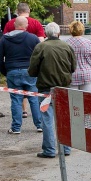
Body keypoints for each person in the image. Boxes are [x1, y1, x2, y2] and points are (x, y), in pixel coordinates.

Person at [29, 22, 75, 159]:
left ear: (46, 34)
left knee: (47, 119)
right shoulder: (67, 47)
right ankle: (66, 148)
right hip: (63, 89)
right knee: (64, 118)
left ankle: (49, 149)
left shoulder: (41, 47)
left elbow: (32, 70)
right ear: (59, 33)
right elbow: (73, 67)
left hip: (45, 88)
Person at [0, 16, 43, 135]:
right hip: (30, 72)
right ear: (26, 26)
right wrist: (37, 70)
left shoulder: (5, 39)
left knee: (16, 100)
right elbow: (40, 55)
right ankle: (40, 125)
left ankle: (16, 127)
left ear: (14, 25)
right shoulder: (33, 38)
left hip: (12, 71)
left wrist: (5, 71)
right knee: (34, 98)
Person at [3, 2, 46, 118]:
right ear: (29, 10)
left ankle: (23, 110)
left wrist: (4, 68)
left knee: (17, 92)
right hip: (31, 61)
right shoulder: (36, 23)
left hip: (13, 62)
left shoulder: (10, 24)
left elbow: (5, 41)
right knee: (33, 92)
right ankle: (38, 122)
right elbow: (41, 42)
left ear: (18, 11)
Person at [66, 21, 91, 91]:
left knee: (73, 99)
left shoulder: (67, 43)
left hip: (72, 75)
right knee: (87, 98)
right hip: (87, 74)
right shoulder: (88, 42)